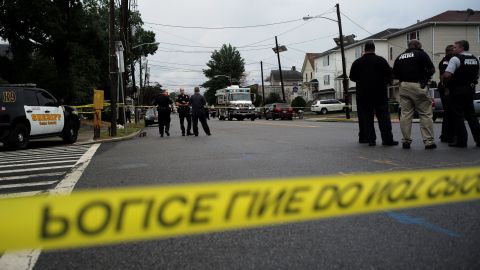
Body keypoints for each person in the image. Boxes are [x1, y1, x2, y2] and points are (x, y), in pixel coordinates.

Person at [349, 41, 398, 146]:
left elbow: (352, 77)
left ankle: (371, 140)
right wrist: (384, 81)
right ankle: (387, 140)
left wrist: (362, 80)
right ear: (374, 49)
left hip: (363, 96)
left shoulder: (357, 63)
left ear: (364, 49)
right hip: (380, 94)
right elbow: (390, 75)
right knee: (384, 118)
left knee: (367, 118)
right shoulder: (381, 61)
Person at [393, 39, 436, 149]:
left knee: (405, 115)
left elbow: (395, 74)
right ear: (417, 46)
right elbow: (432, 69)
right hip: (418, 86)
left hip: (404, 87)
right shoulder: (421, 54)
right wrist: (425, 78)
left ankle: (406, 141)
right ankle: (428, 141)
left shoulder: (400, 57)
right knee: (425, 114)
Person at [442, 40, 480, 148]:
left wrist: (445, 84)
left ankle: (461, 140)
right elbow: (477, 75)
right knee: (471, 115)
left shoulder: (456, 58)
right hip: (470, 89)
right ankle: (479, 139)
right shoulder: (475, 59)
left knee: (458, 115)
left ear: (461, 48)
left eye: (455, 47)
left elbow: (448, 74)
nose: (453, 49)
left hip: (457, 90)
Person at [438, 45, 455, 143]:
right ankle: (447, 135)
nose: (455, 51)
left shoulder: (452, 59)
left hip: (448, 88)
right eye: (453, 50)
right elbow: (442, 76)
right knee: (449, 111)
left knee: (449, 112)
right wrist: (446, 89)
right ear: (449, 51)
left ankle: (447, 134)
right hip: (446, 88)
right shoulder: (446, 61)